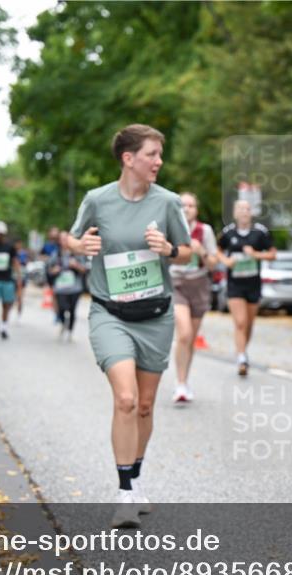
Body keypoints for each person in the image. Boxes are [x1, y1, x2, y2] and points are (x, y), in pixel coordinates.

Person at [62, 124, 191, 528]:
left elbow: (187, 252)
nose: (159, 161)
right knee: (125, 399)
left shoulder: (168, 203)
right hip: (109, 313)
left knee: (147, 404)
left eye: (159, 154)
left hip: (154, 316)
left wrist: (169, 249)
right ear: (128, 158)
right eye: (152, 154)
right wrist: (80, 246)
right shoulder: (97, 200)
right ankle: (123, 492)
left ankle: (135, 479)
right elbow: (70, 238)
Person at [217, 199, 276, 376]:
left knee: (249, 324)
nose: (244, 212)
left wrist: (256, 254)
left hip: (253, 283)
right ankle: (241, 357)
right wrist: (226, 261)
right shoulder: (228, 233)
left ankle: (243, 350)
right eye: (240, 209)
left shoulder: (260, 232)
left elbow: (273, 254)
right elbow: (217, 250)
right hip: (235, 284)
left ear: (251, 213)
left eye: (247, 209)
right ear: (235, 213)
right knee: (240, 322)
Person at [169, 192, 218, 403]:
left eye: (191, 205)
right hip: (176, 284)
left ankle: (184, 381)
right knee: (184, 334)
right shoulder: (170, 229)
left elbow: (214, 263)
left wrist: (202, 253)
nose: (187, 208)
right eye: (183, 205)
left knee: (191, 340)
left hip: (199, 285)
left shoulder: (204, 231)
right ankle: (179, 385)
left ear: (196, 210)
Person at [47, 239, 88, 341]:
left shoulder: (77, 255)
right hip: (60, 288)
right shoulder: (56, 255)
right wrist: (54, 270)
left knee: (72, 310)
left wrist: (76, 265)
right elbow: (49, 270)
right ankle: (63, 323)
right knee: (61, 308)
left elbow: (84, 270)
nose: (65, 242)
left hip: (75, 288)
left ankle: (70, 331)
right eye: (63, 239)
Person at [15, 240, 30, 318]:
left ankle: (19, 313)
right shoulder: (13, 253)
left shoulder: (24, 253)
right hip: (14, 277)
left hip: (22, 276)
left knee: (20, 297)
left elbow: (26, 262)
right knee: (14, 297)